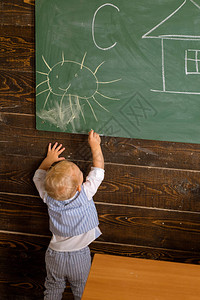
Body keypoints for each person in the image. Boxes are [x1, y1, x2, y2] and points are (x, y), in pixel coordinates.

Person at [33, 130, 104, 300]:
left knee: (52, 288)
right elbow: (98, 170)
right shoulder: (85, 193)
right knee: (81, 291)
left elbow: (38, 177)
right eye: (81, 174)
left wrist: (48, 160)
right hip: (79, 257)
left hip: (54, 254)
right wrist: (95, 146)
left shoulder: (48, 196)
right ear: (80, 186)